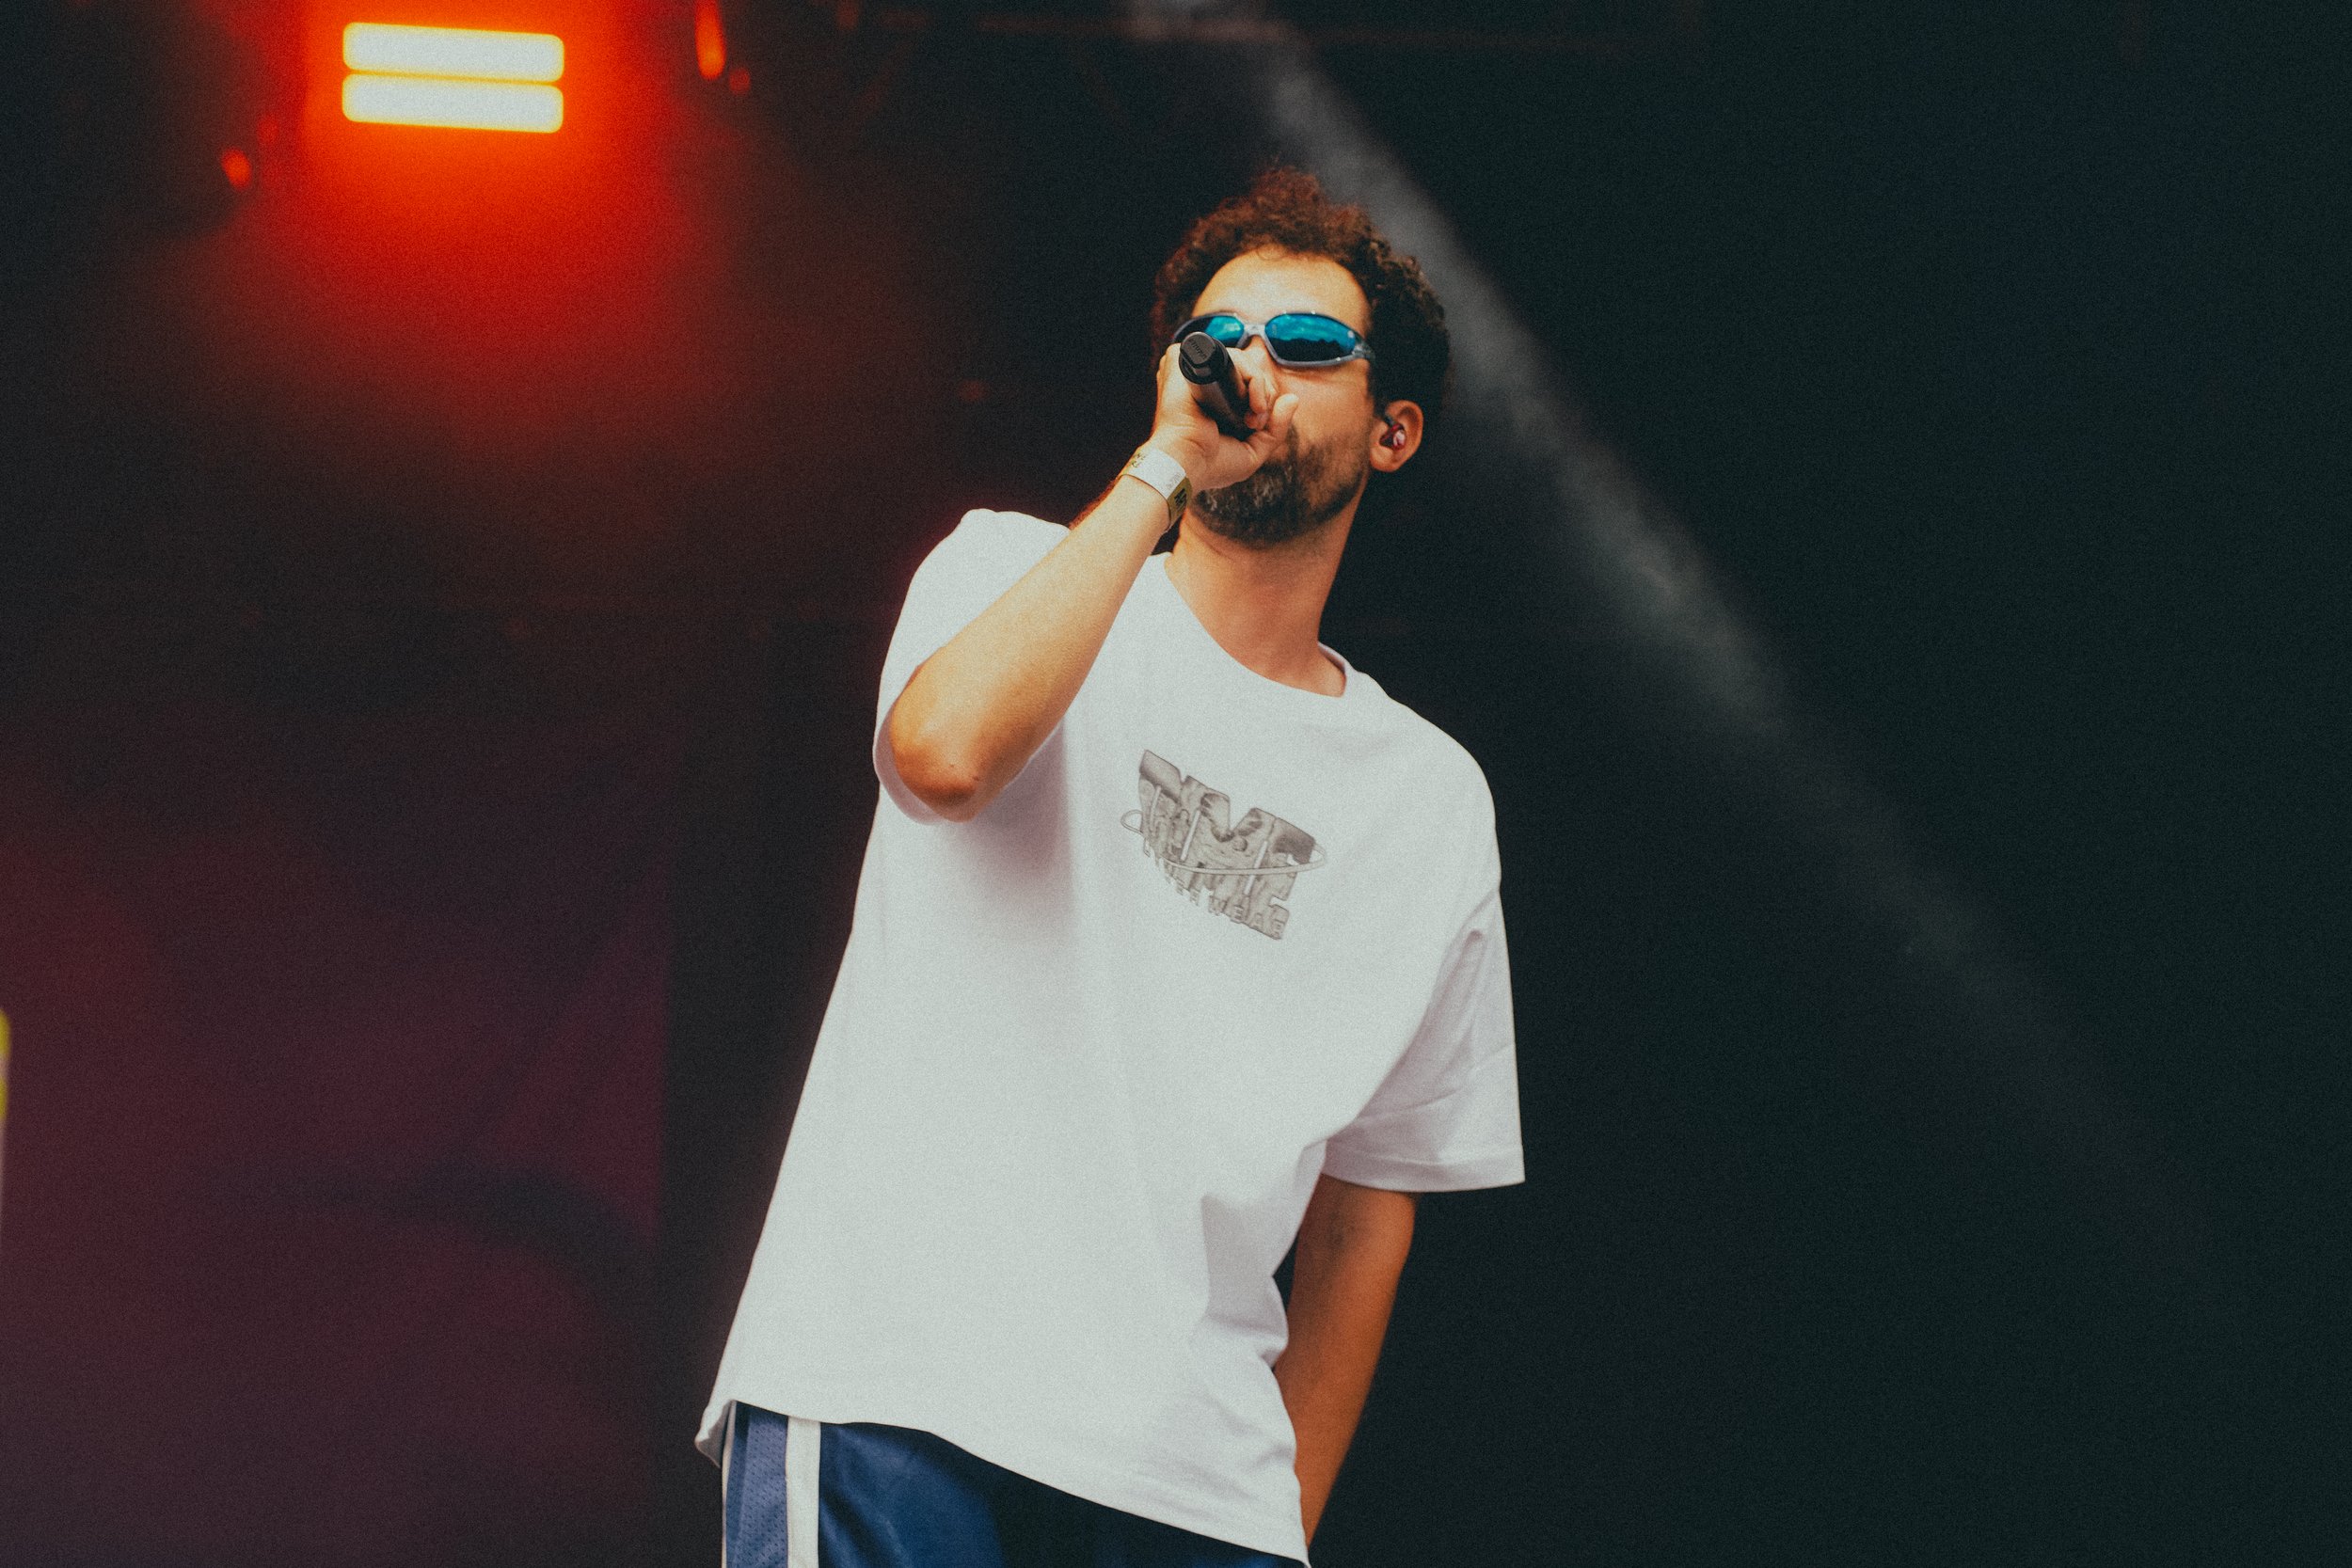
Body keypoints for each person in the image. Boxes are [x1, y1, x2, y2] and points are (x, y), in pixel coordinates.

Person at [699, 167, 1523, 1568]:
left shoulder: (1428, 801)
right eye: (1220, 339)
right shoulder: (1005, 570)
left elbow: (1371, 1210)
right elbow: (945, 755)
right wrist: (1161, 473)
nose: (1252, 367)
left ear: (1394, 431)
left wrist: (1278, 1523)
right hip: (900, 1385)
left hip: (1190, 1482)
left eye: (1308, 346)